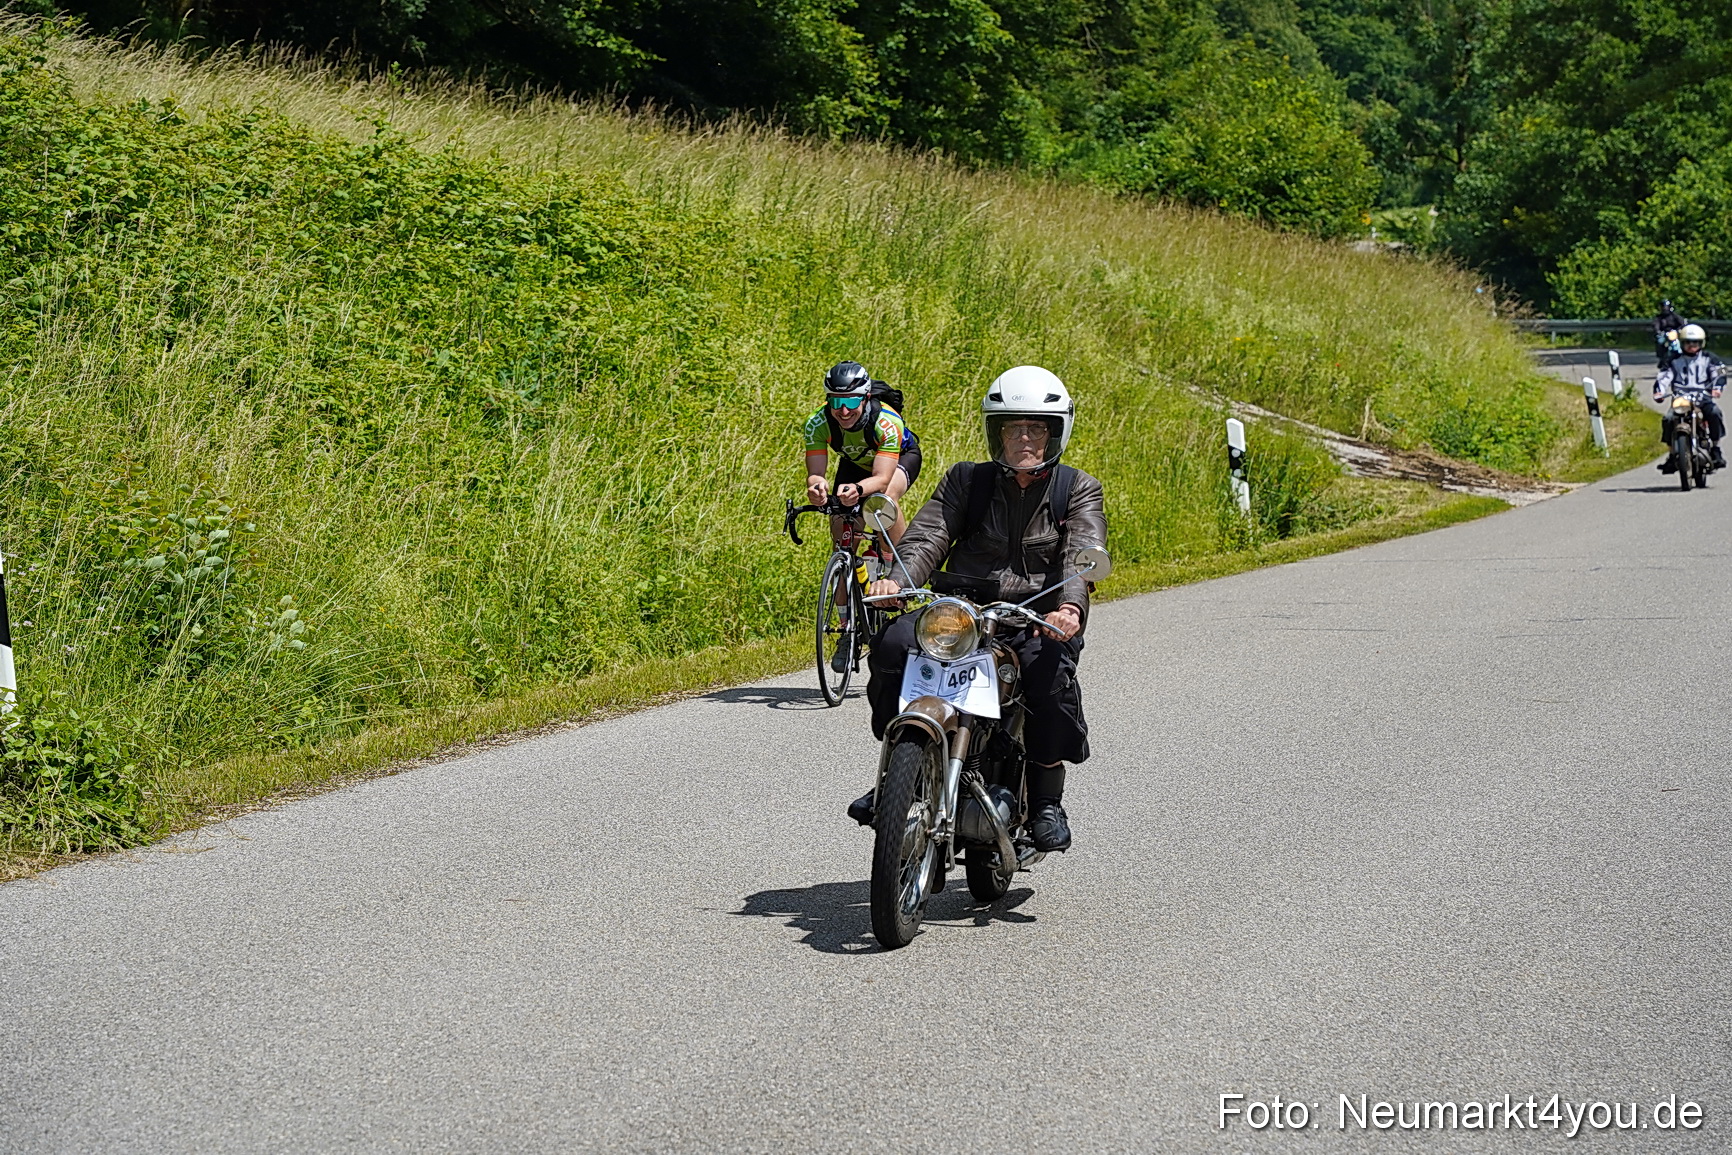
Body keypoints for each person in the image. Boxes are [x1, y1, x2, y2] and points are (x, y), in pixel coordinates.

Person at [853, 366, 1106, 853]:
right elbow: (928, 536)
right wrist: (897, 581)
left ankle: (1048, 799)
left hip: (1037, 617)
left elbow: (1083, 550)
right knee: (892, 645)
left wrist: (1069, 608)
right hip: (961, 610)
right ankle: (895, 776)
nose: (1025, 439)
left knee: (1047, 676)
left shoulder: (1077, 488)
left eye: (1036, 429)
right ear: (997, 432)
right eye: (1014, 429)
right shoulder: (966, 481)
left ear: (1056, 432)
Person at [801, 361, 921, 547]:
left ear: (866, 398)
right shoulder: (816, 424)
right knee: (840, 517)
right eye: (837, 401)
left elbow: (881, 478)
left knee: (882, 501)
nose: (844, 411)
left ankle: (898, 567)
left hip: (901, 458)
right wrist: (817, 488)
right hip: (856, 462)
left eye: (852, 401)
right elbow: (815, 474)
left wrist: (858, 490)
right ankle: (844, 569)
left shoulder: (886, 422)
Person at [1655, 324, 1726, 470]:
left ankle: (1715, 448)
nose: (1691, 345)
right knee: (1668, 419)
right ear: (1682, 343)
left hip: (1703, 396)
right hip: (1681, 398)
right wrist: (1659, 392)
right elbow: (1663, 377)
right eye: (1688, 342)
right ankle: (1672, 454)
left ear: (1702, 343)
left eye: (1695, 342)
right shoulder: (1673, 359)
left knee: (1715, 413)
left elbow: (1719, 373)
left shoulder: (1709, 358)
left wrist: (1717, 388)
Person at [1655, 300, 1687, 369]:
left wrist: (1678, 330)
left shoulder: (1674, 316)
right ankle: (1662, 357)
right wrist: (1658, 331)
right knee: (1660, 341)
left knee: (1682, 343)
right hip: (1663, 333)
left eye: (1666, 307)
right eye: (1663, 307)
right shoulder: (1659, 317)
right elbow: (1656, 325)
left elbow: (1682, 323)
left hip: (1674, 333)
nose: (1665, 309)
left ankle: (1682, 356)